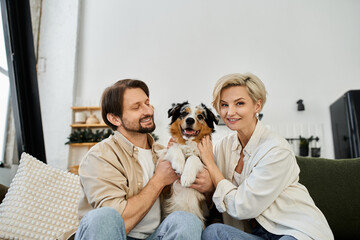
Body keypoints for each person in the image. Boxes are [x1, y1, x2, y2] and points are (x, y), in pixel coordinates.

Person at [196, 73, 334, 240]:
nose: (230, 112)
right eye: (224, 105)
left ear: (257, 105)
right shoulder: (223, 146)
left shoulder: (276, 149)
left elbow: (243, 206)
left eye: (239, 103)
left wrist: (211, 164)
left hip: (293, 230)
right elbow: (207, 179)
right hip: (256, 234)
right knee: (213, 233)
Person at [74, 79, 203, 240]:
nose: (148, 111)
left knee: (187, 221)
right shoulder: (100, 156)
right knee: (103, 216)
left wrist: (208, 184)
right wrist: (159, 180)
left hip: (156, 236)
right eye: (136, 107)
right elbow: (117, 222)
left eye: (147, 103)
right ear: (115, 119)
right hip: (116, 235)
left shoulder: (164, 154)